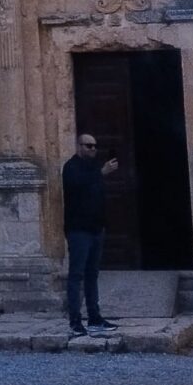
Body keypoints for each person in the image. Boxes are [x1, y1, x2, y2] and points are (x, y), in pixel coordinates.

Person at [62, 130, 120, 337]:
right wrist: (101, 173)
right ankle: (75, 321)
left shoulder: (93, 168)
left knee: (92, 275)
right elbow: (76, 185)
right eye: (89, 145)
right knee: (76, 275)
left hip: (95, 229)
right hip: (79, 230)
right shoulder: (71, 167)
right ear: (79, 147)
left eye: (95, 146)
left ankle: (94, 317)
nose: (93, 149)